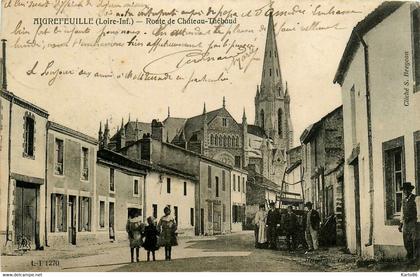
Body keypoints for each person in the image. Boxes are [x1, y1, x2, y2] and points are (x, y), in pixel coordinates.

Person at [398, 182, 417, 264]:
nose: (405, 191)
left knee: (415, 240)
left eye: (407, 190)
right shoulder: (403, 200)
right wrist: (401, 224)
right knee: (406, 240)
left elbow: (419, 212)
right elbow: (402, 213)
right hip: (406, 223)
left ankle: (416, 258)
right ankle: (409, 256)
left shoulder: (416, 198)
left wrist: (418, 223)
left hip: (414, 222)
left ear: (410, 190)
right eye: (404, 190)